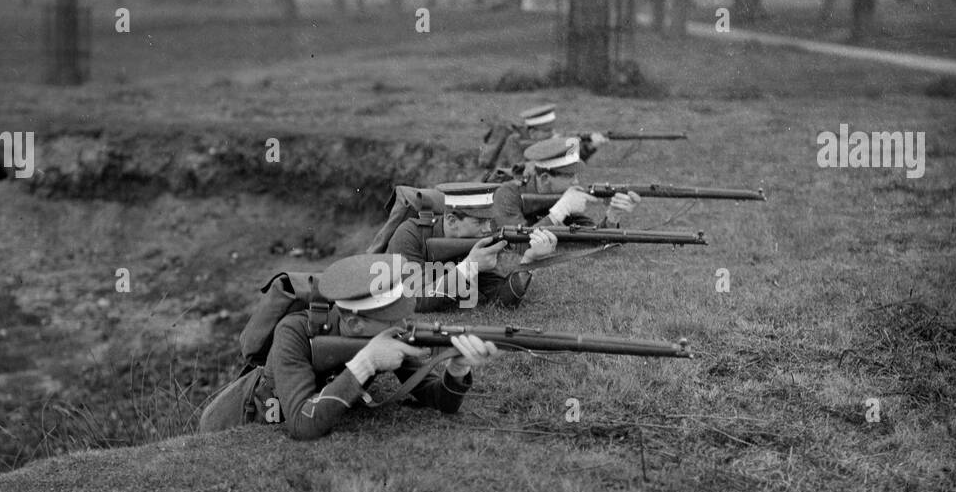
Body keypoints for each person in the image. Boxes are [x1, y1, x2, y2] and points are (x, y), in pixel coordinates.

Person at [197, 253, 500, 440]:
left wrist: (457, 369)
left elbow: (438, 400)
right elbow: (302, 425)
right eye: (396, 320)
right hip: (234, 419)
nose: (407, 326)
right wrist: (366, 362)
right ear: (355, 324)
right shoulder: (293, 331)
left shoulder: (385, 333)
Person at [384, 182, 558, 311]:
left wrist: (528, 261)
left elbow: (500, 301)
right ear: (452, 220)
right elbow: (414, 300)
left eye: (489, 221)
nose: (487, 229)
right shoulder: (410, 235)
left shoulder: (474, 240)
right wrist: (468, 267)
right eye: (479, 222)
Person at [489, 136, 647, 229]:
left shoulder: (559, 196)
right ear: (545, 178)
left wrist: (613, 215)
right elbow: (517, 245)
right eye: (569, 176)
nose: (576, 181)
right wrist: (559, 212)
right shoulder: (507, 193)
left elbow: (592, 238)